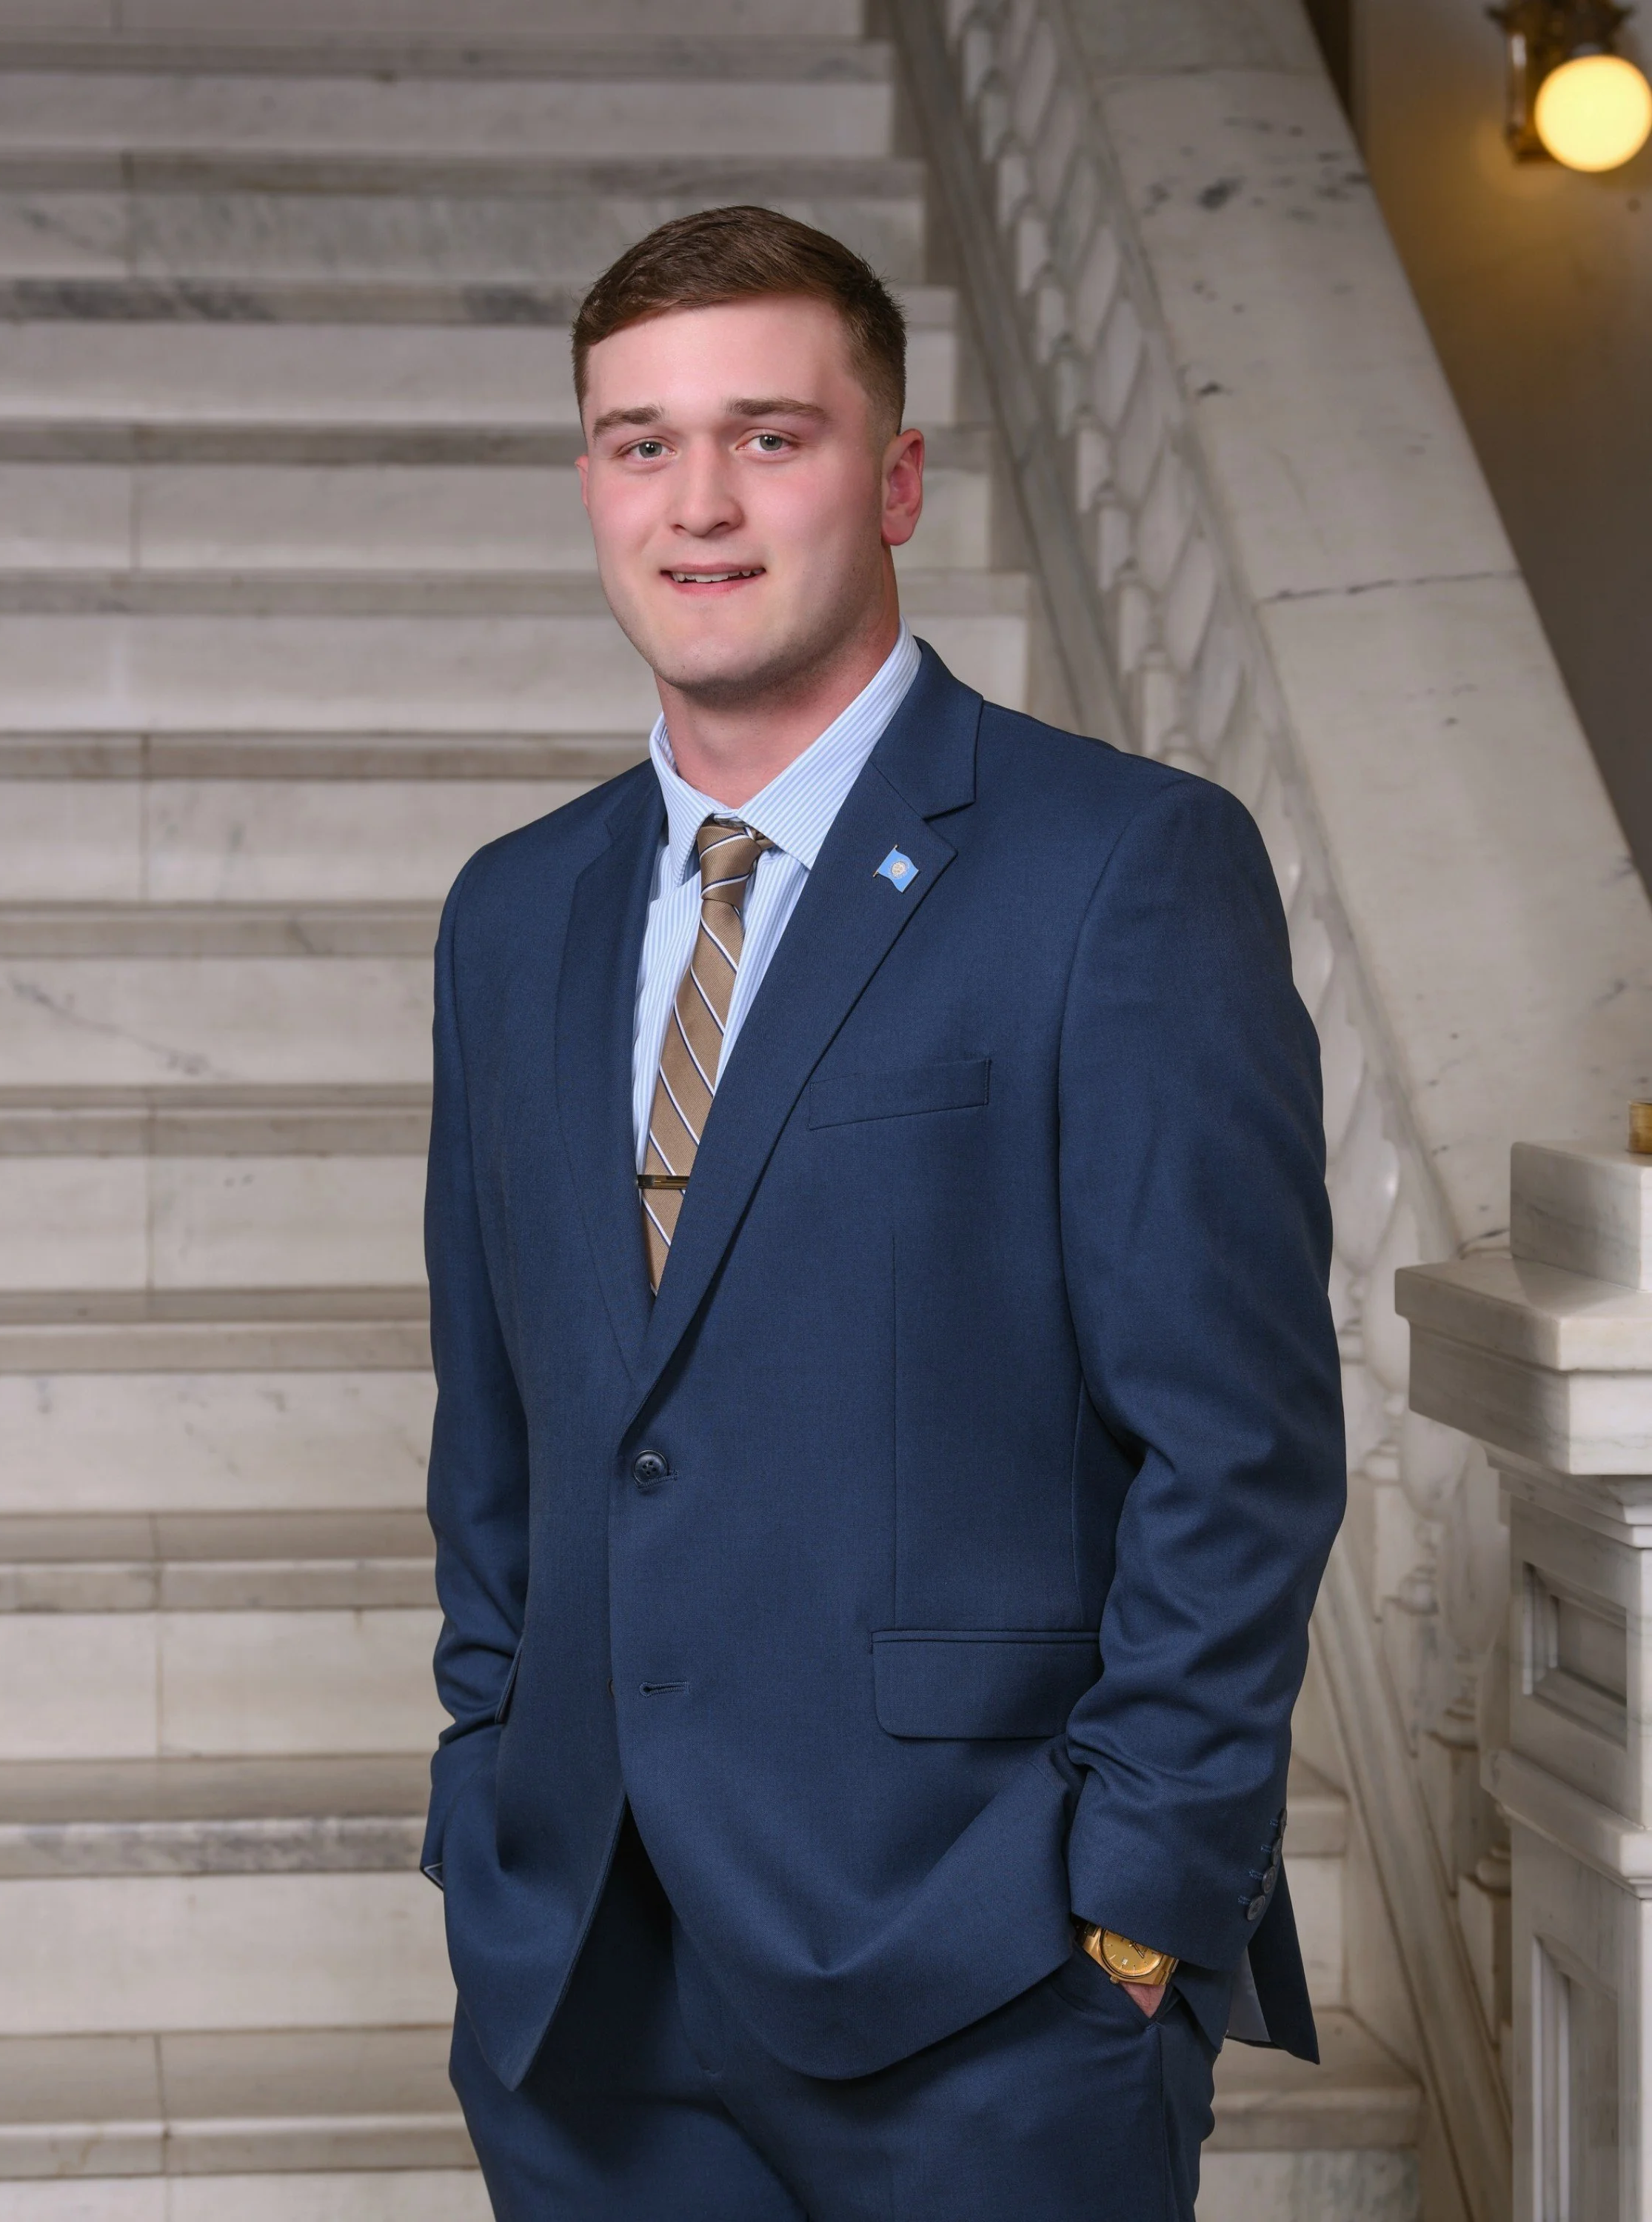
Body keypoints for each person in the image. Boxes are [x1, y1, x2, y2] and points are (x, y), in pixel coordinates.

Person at [421, 204, 1345, 2221]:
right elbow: (500, 1421)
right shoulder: (514, 914)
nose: (700, 505)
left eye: (772, 434)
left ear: (899, 473)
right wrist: (483, 1780)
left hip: (989, 1980)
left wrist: (1136, 1905)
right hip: (584, 1979)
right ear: (589, 480)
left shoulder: (1125, 869)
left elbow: (1242, 1442)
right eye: (640, 442)